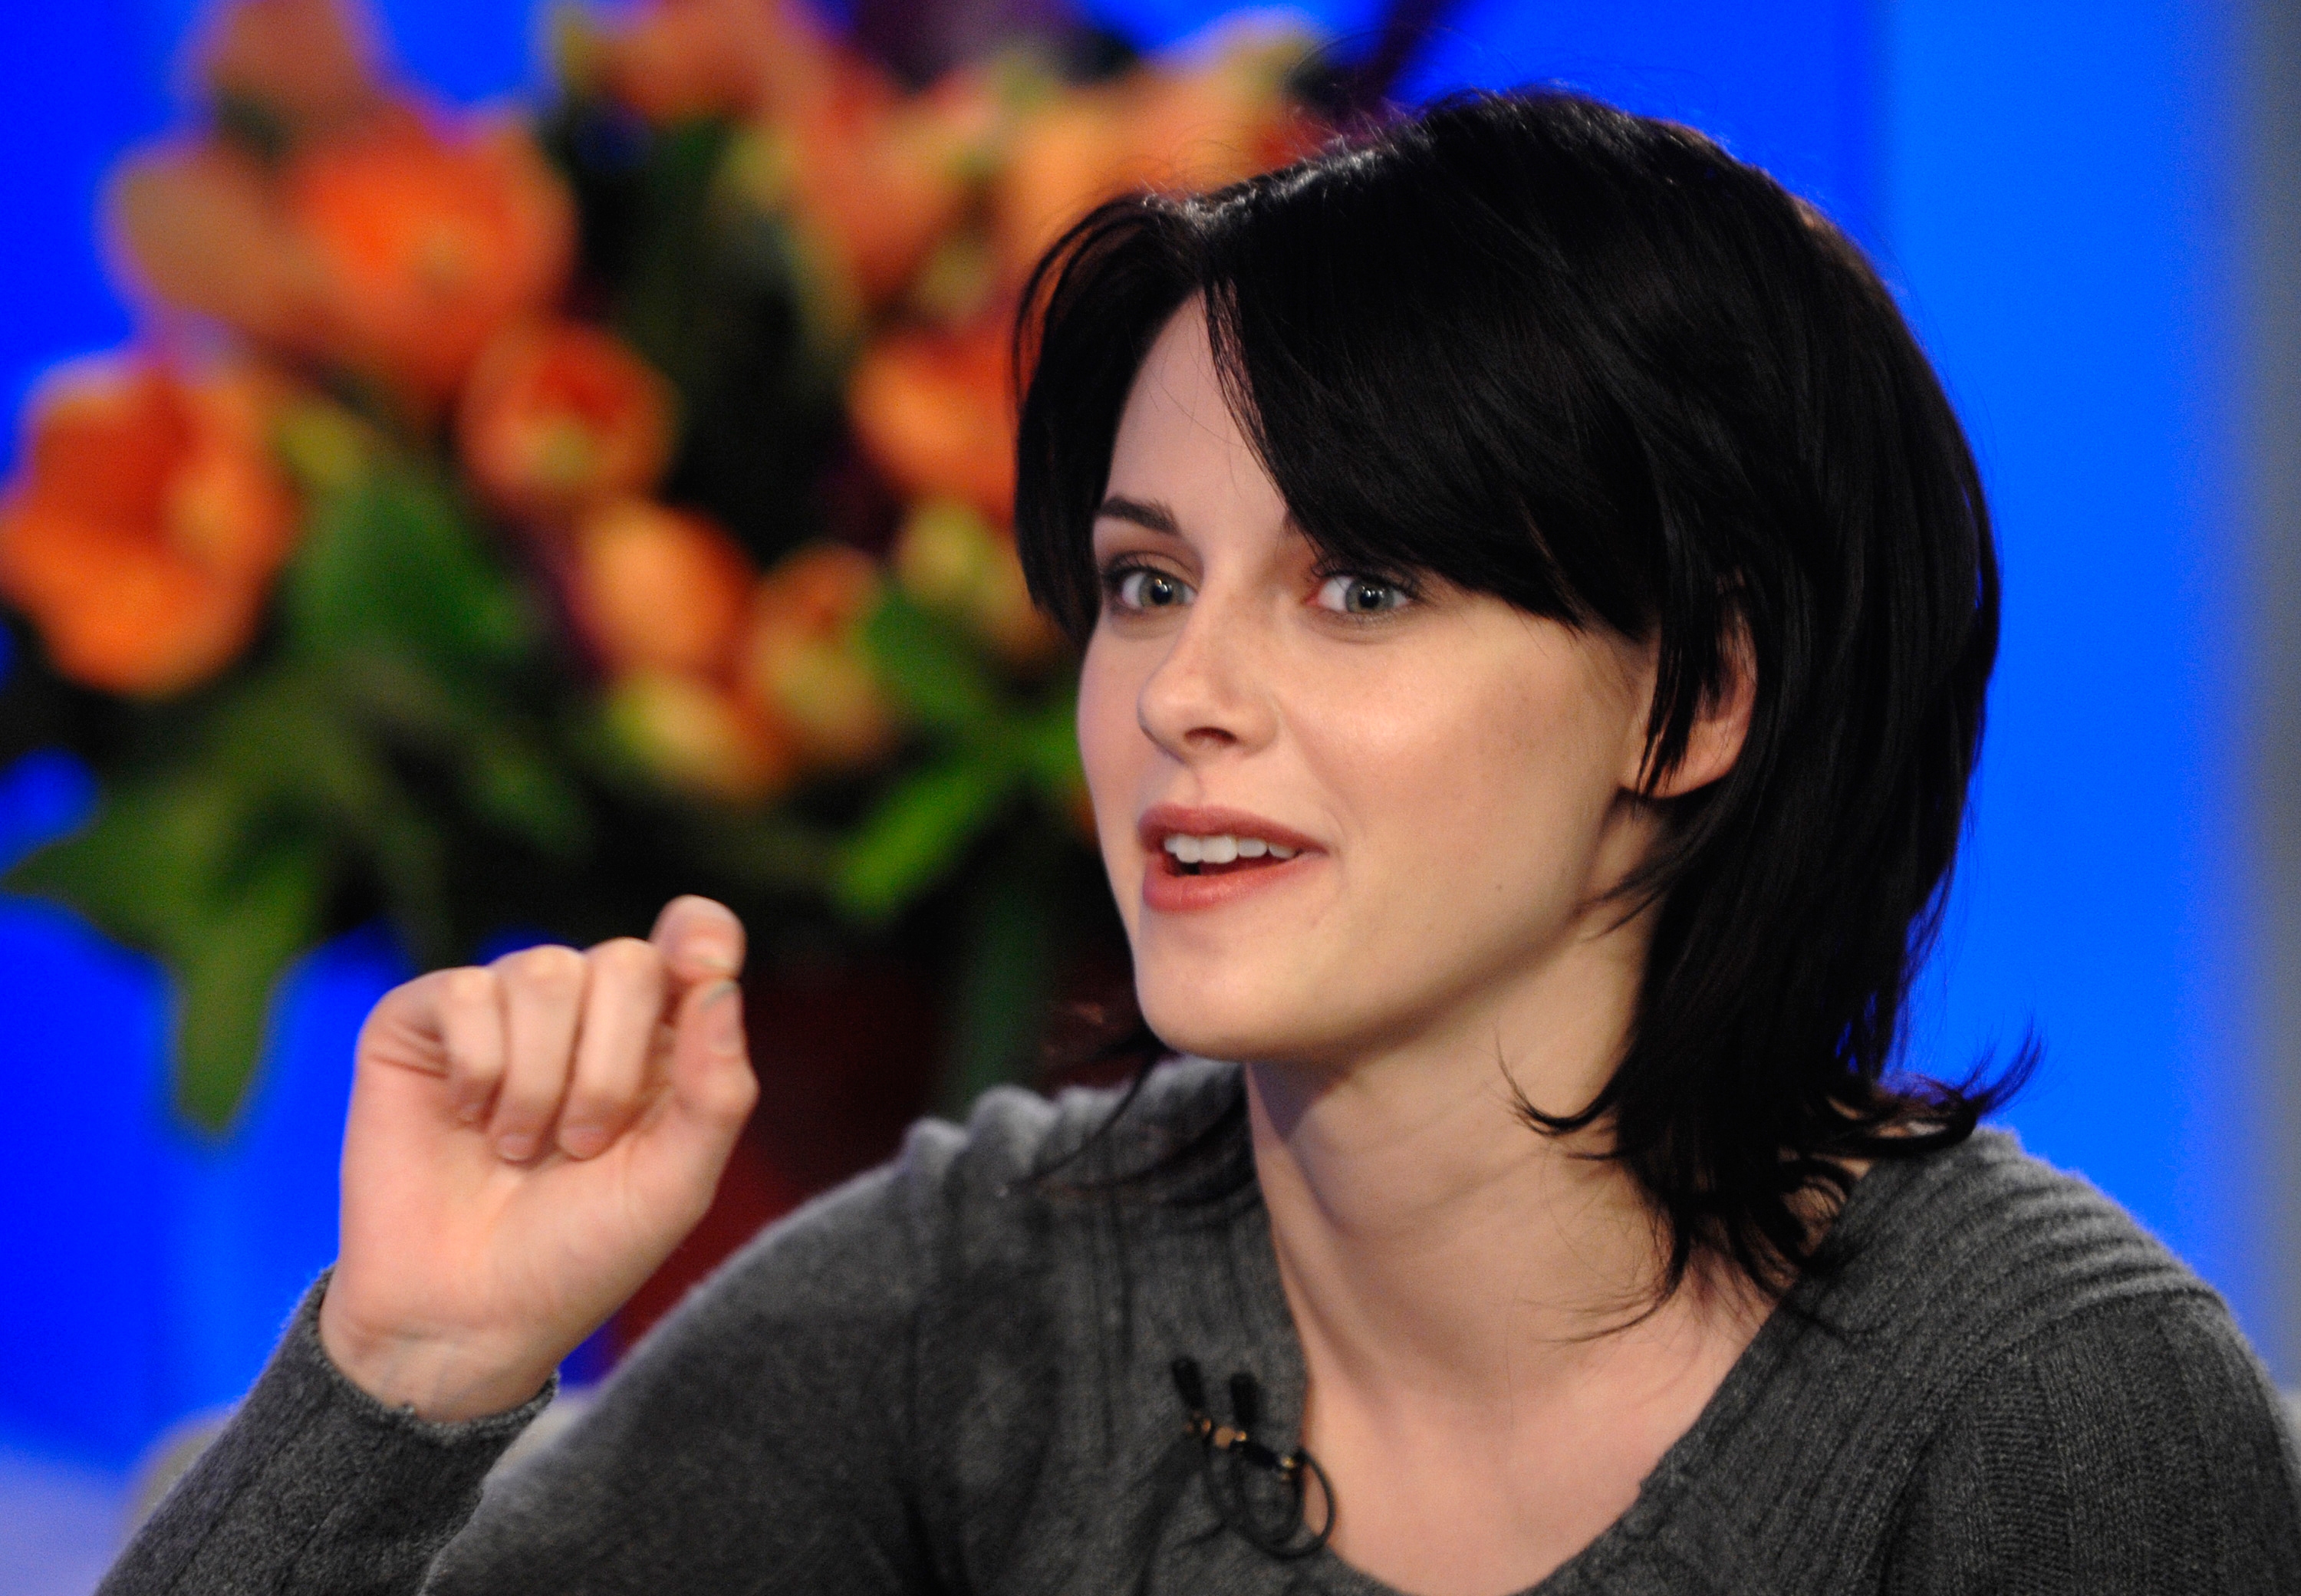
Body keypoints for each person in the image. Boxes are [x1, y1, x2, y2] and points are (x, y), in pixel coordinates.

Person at [100, 89, 2301, 1596]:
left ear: (1693, 699)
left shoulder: (2048, 1414)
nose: (1179, 695)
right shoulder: (995, 1284)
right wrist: (408, 1372)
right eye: (1148, 581)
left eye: (1362, 586)